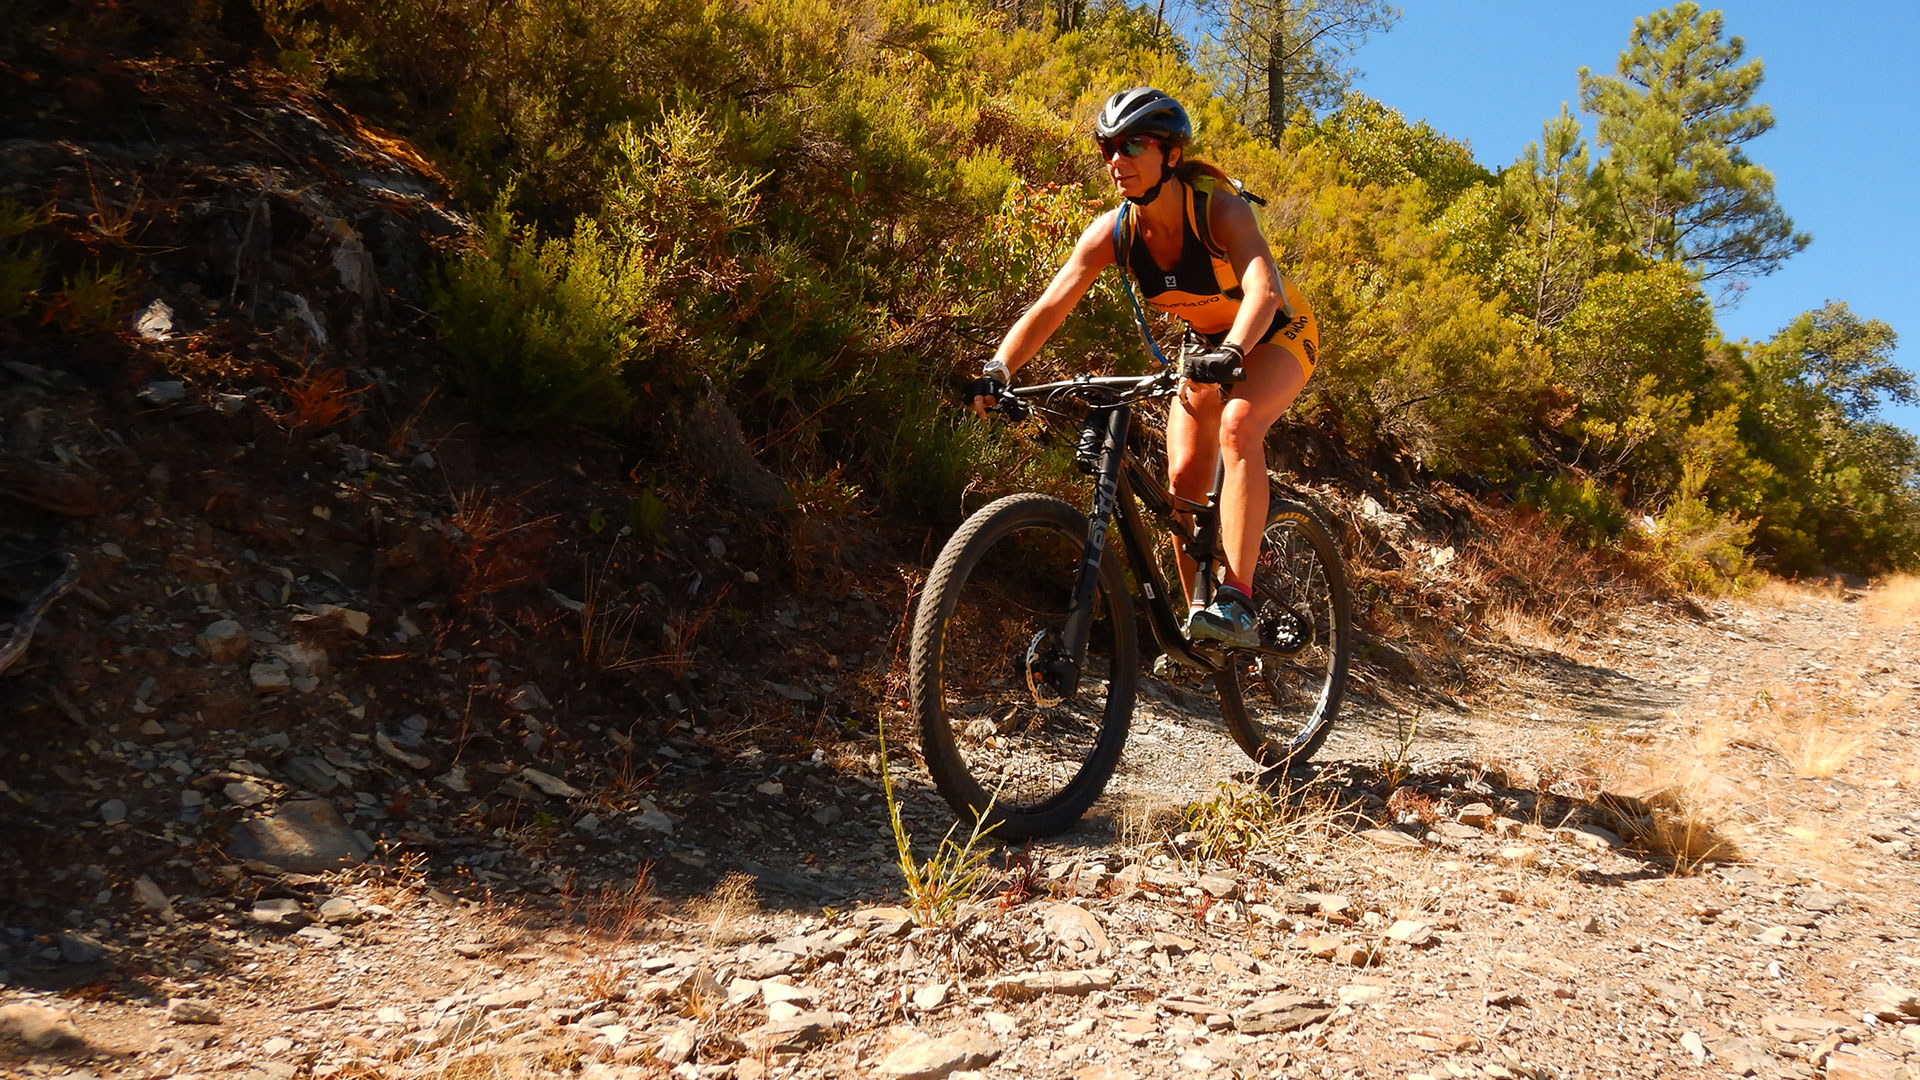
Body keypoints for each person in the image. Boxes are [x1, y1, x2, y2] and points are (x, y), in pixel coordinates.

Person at [968, 86, 1320, 651]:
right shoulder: (1115, 231)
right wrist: (999, 367)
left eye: (1133, 144)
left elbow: (1264, 288)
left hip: (1274, 331)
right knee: (1182, 483)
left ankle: (1240, 600)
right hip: (1208, 344)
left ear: (1171, 154)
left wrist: (1232, 351)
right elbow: (1052, 304)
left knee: (1238, 426)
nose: (1117, 159)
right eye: (1108, 146)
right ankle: (1200, 623)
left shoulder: (1218, 210)